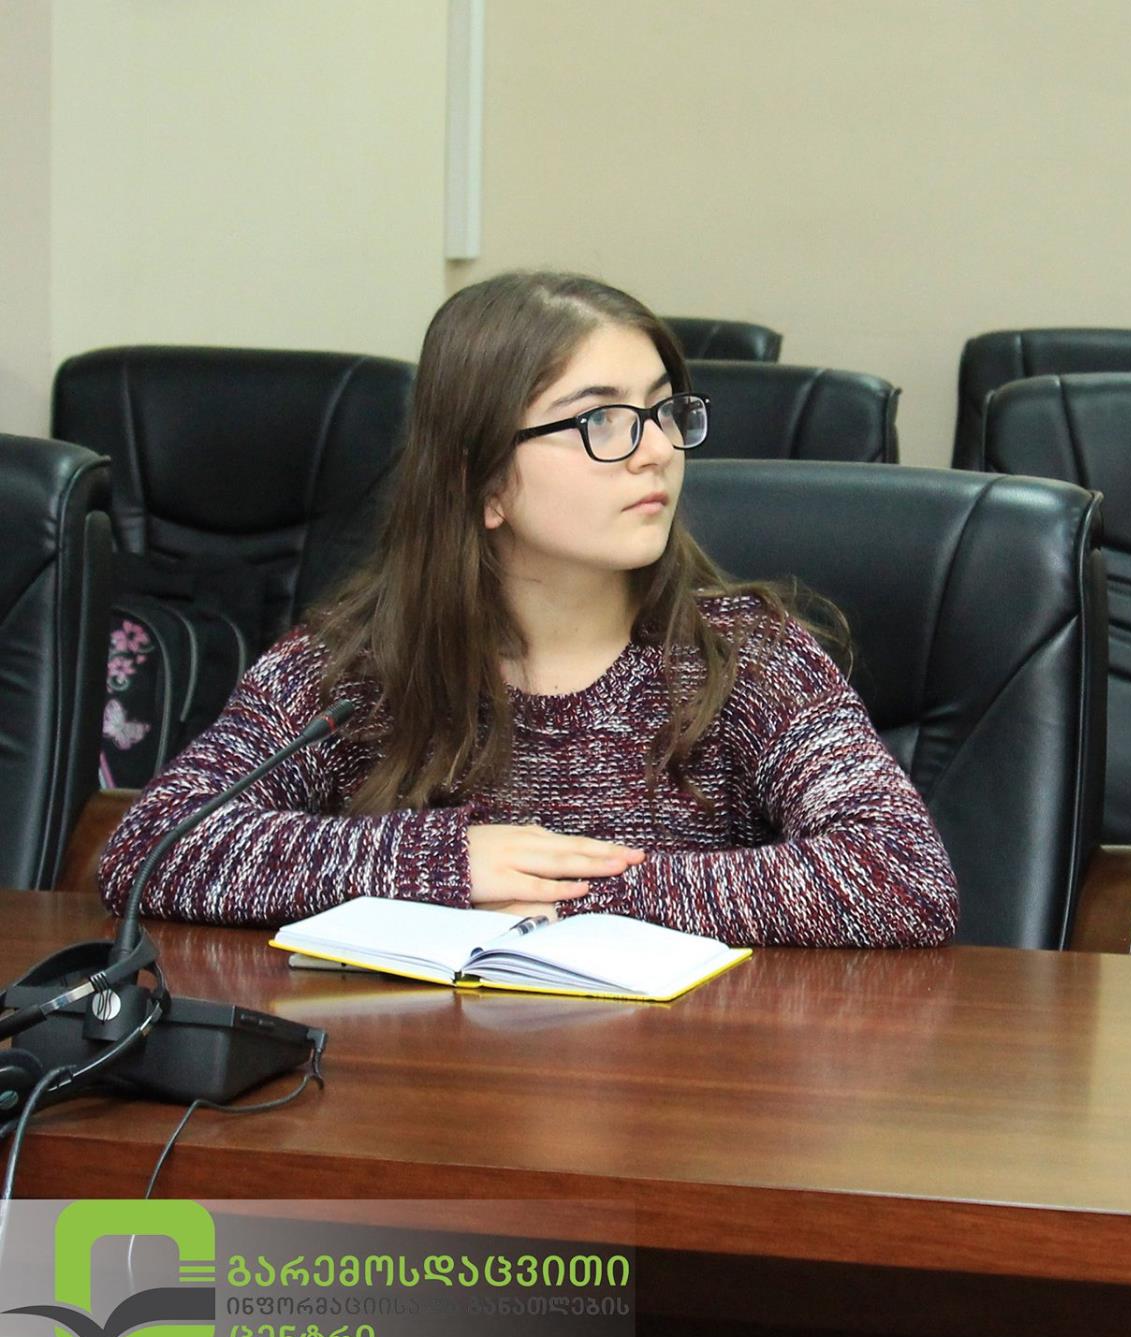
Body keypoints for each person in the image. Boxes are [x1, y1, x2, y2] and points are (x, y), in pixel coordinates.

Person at [98, 271, 959, 948]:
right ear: (482, 482)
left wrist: (582, 891)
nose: (657, 451)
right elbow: (152, 846)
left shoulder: (745, 658)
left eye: (664, 411)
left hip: (679, 1090)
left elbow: (903, 873)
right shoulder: (357, 664)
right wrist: (444, 863)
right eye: (602, 421)